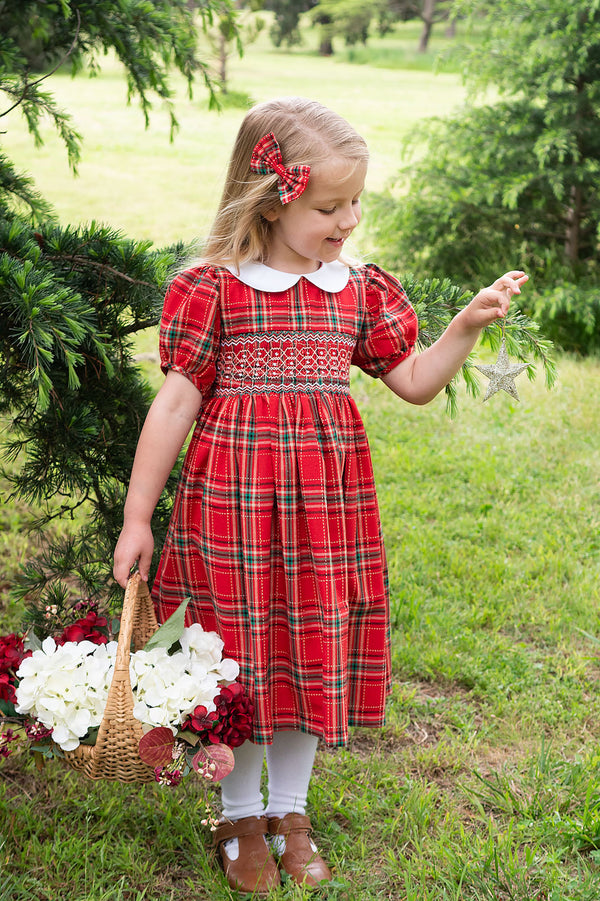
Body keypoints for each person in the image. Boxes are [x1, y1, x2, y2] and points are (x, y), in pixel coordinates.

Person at [113, 97, 527, 896]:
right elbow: (172, 404)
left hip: (325, 516)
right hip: (231, 507)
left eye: (355, 202)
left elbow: (411, 382)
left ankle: (291, 811)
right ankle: (239, 815)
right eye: (330, 206)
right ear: (272, 198)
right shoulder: (216, 289)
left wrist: (465, 327)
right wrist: (138, 518)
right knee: (233, 657)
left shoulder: (358, 291)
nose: (350, 220)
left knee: (307, 647)